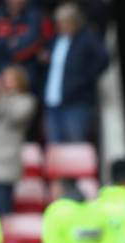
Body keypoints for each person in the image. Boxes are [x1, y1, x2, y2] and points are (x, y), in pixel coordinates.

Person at [43, 2, 108, 142]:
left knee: (75, 147)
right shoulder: (57, 40)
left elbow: (103, 59)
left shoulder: (86, 38)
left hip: (76, 103)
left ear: (74, 22)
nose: (60, 26)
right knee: (54, 149)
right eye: (59, 23)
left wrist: (84, 80)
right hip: (53, 101)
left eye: (64, 22)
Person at [0, 65, 36, 216]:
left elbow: (14, 116)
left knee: (3, 209)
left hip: (7, 160)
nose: (4, 82)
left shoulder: (27, 100)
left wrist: (0, 96)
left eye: (9, 78)